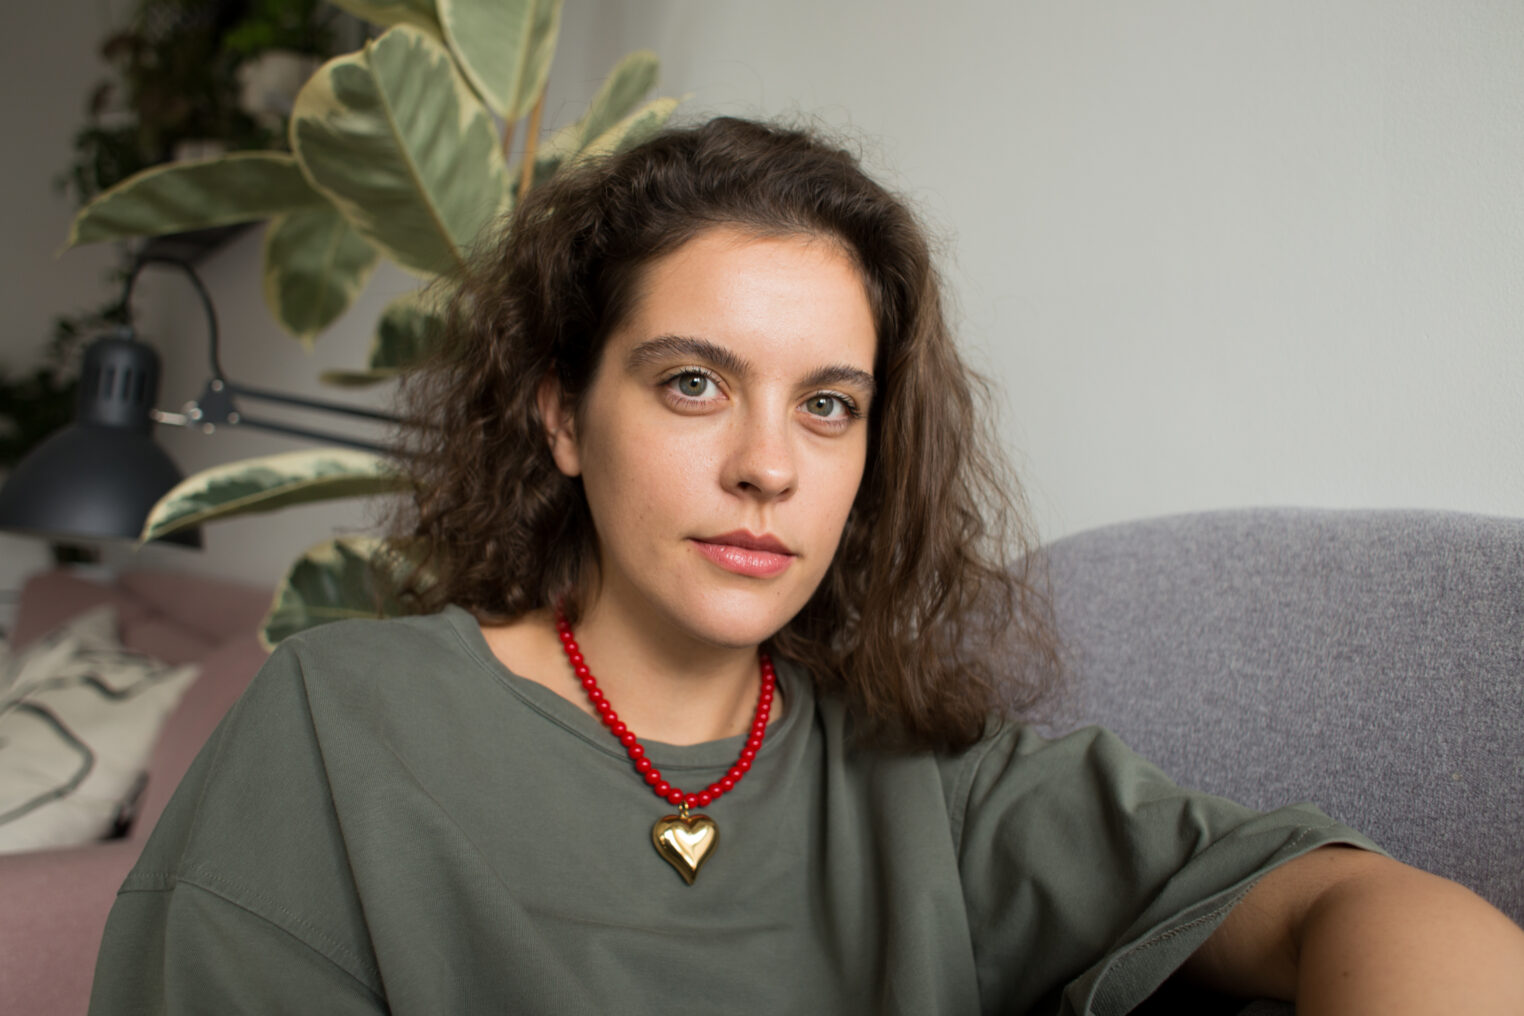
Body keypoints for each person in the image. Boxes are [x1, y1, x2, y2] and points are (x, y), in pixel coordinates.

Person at [88, 117, 1523, 1014]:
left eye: (828, 404)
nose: (768, 465)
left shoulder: (937, 783)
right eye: (694, 384)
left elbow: (1364, 906)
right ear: (562, 417)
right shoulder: (344, 725)